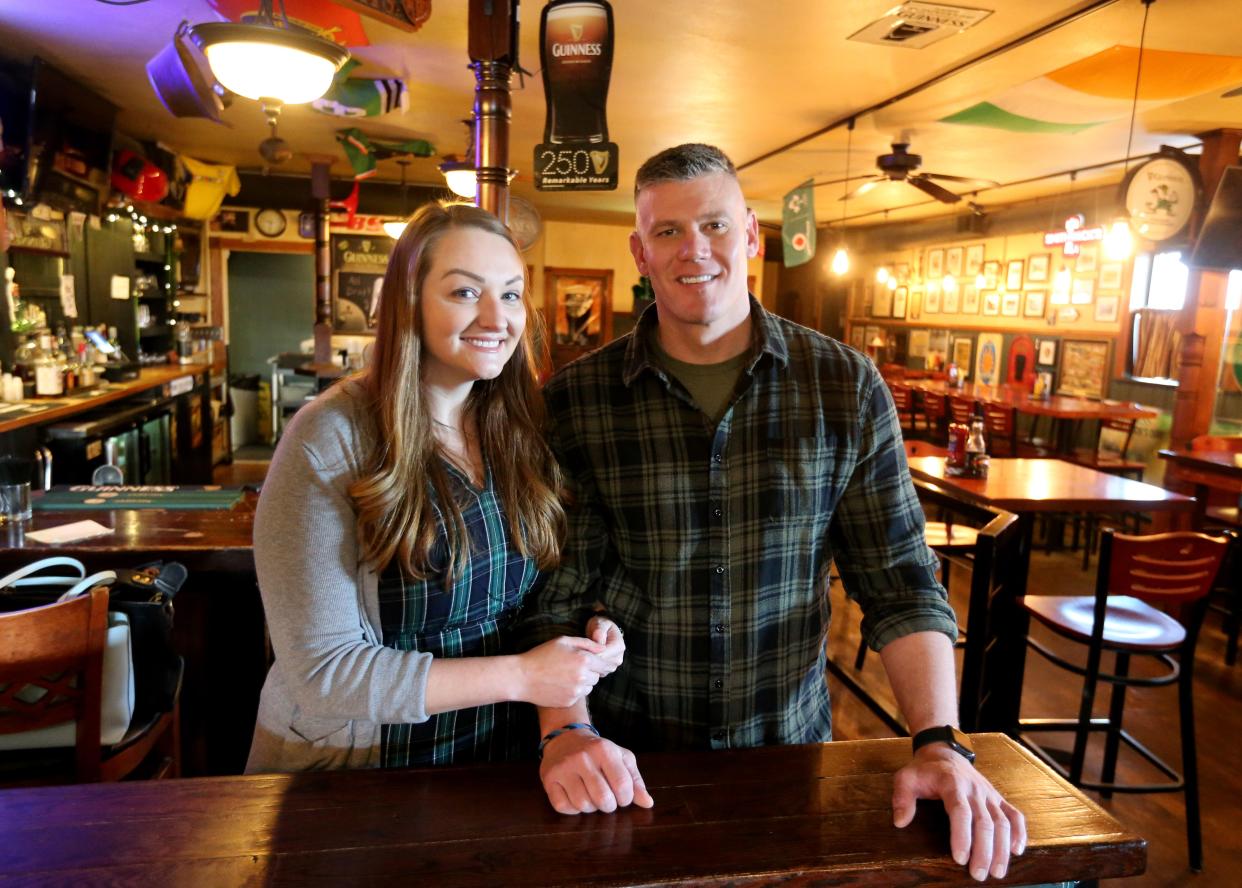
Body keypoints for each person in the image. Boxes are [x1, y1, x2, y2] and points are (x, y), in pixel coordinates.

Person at [524, 144, 1026, 882]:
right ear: (639, 250)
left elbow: (899, 582)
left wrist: (940, 741)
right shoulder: (576, 400)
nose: (694, 249)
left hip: (791, 756)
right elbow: (554, 595)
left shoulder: (844, 384)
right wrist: (565, 730)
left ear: (752, 235)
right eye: (667, 231)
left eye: (715, 225)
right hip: (622, 760)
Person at [247, 202, 623, 773]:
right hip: (359, 767)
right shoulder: (330, 436)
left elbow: (524, 595)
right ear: (409, 303)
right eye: (466, 293)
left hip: (498, 757)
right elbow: (323, 673)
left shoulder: (515, 429)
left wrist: (582, 636)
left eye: (512, 294)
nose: (497, 318)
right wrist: (524, 675)